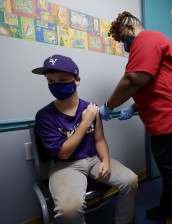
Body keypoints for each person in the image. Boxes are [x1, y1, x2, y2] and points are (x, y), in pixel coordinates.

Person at [99, 11, 172, 224]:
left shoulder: (145, 38)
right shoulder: (153, 41)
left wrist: (108, 106)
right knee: (170, 171)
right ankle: (169, 208)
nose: (124, 44)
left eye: (122, 38)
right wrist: (135, 106)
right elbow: (157, 83)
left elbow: (132, 79)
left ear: (131, 27)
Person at [33, 54, 138, 224]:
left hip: (93, 159)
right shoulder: (44, 116)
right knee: (69, 211)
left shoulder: (90, 108)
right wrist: (84, 123)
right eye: (50, 81)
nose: (56, 85)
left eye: (62, 79)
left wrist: (105, 160)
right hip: (65, 166)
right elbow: (64, 154)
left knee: (131, 180)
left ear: (77, 80)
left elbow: (99, 140)